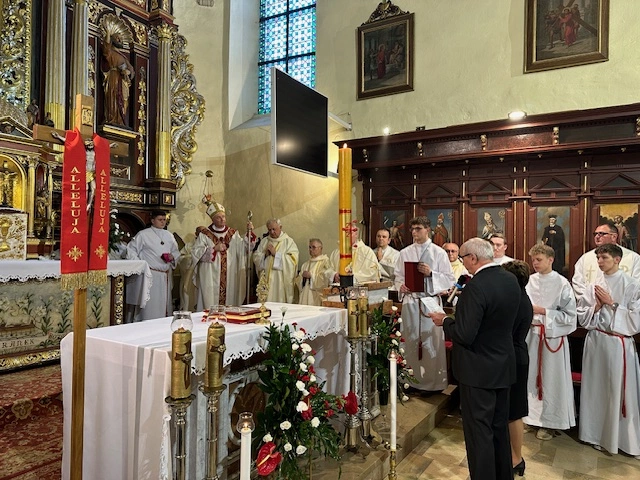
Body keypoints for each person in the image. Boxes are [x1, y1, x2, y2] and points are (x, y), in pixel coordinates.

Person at [429, 238, 521, 480]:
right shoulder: (510, 279)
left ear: (473, 258)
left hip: (478, 370)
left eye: (463, 258)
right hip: (503, 365)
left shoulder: (476, 287)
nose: (463, 263)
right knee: (499, 428)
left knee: (479, 433)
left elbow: (464, 334)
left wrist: (445, 321)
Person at [576, 243, 640, 457]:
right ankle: (594, 434)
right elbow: (582, 316)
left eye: (605, 257)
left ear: (617, 259)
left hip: (618, 344)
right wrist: (595, 306)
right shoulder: (592, 285)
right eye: (599, 258)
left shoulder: (632, 285)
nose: (600, 262)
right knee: (596, 390)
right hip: (596, 342)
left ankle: (620, 438)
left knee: (616, 392)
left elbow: (635, 320)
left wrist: (611, 304)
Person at [523, 244, 577, 441]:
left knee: (551, 380)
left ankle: (550, 423)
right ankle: (531, 418)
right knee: (530, 378)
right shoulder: (529, 281)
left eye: (538, 259)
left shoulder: (562, 283)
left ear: (550, 259)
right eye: (533, 259)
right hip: (531, 335)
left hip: (552, 338)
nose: (535, 263)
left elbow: (570, 316)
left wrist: (544, 311)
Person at [394, 216, 454, 392]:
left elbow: (449, 279)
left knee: (431, 342)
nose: (414, 232)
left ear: (428, 230)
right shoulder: (404, 253)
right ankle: (410, 381)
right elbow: (398, 276)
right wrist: (401, 286)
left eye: (418, 228)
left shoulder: (438, 253)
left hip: (429, 302)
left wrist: (431, 273)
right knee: (410, 340)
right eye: (412, 229)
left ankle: (431, 383)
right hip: (411, 301)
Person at [501, 260, 533, 477]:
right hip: (517, 355)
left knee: (514, 412)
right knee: (512, 410)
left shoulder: (517, 301)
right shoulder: (522, 298)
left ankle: (516, 458)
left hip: (513, 357)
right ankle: (511, 455)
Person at [192, 203, 254, 309]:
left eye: (223, 216)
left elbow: (243, 249)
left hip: (230, 276)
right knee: (209, 303)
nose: (222, 219)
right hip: (210, 276)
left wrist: (249, 233)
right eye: (218, 217)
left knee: (229, 304)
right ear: (213, 219)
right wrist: (213, 249)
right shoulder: (204, 234)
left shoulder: (233, 234)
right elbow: (195, 253)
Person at [126, 210, 180, 320]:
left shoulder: (169, 235)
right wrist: (140, 266)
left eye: (164, 220)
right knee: (150, 305)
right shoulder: (143, 234)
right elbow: (131, 250)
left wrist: (172, 257)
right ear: (152, 221)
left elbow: (176, 251)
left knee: (163, 303)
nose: (163, 222)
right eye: (160, 220)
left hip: (165, 275)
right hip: (150, 274)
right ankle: (145, 322)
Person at [572, 223, 640, 303]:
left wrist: (612, 302)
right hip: (594, 307)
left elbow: (637, 284)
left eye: (601, 234)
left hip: (622, 306)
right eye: (595, 234)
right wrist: (591, 301)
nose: (597, 237)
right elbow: (578, 282)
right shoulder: (585, 258)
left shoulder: (633, 258)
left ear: (614, 237)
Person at [253, 218, 299, 303]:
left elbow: (293, 261)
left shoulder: (288, 241)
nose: (272, 232)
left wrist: (276, 254)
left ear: (280, 227)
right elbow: (256, 257)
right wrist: (265, 255)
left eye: (274, 229)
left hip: (280, 281)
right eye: (269, 230)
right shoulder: (264, 241)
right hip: (266, 279)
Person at [102, 30, 134, 126]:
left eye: (120, 38)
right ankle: (113, 118)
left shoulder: (123, 56)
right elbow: (106, 48)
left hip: (123, 80)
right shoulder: (111, 52)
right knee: (114, 97)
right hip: (114, 77)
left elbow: (131, 70)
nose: (119, 40)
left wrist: (128, 72)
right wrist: (108, 34)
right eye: (117, 38)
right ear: (112, 39)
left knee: (124, 100)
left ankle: (121, 120)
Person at [295, 238, 333, 306]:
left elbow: (325, 278)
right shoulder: (305, 264)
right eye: (309, 247)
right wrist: (302, 279)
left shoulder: (325, 262)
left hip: (316, 297)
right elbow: (298, 282)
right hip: (304, 296)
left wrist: (311, 276)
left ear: (320, 248)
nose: (310, 249)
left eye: (313, 247)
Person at [177, 226, 203, 311]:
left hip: (203, 276)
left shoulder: (207, 243)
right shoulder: (189, 245)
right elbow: (180, 258)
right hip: (190, 276)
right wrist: (190, 259)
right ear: (196, 234)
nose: (202, 234)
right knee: (189, 295)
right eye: (200, 232)